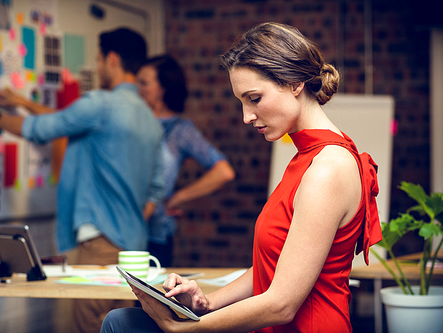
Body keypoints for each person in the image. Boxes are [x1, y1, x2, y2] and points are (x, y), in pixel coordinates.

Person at [100, 22, 382, 333]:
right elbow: (272, 270)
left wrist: (188, 328)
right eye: (242, 102)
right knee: (122, 321)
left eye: (255, 98)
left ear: (295, 83)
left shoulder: (327, 169)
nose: (247, 116)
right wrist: (205, 302)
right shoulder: (309, 159)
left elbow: (282, 304)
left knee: (123, 324)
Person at [0, 28, 165, 333]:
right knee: (121, 327)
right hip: (135, 249)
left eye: (98, 60)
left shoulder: (100, 104)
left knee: (89, 327)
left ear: (113, 59)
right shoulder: (149, 118)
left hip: (101, 245)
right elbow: (157, 188)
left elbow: (43, 128)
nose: (97, 66)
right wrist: (127, 217)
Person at [136, 55, 236, 267]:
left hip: (156, 236)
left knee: (149, 298)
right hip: (120, 232)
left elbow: (223, 171)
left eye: (144, 82)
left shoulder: (179, 130)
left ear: (162, 88)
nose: (137, 88)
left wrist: (176, 198)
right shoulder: (131, 123)